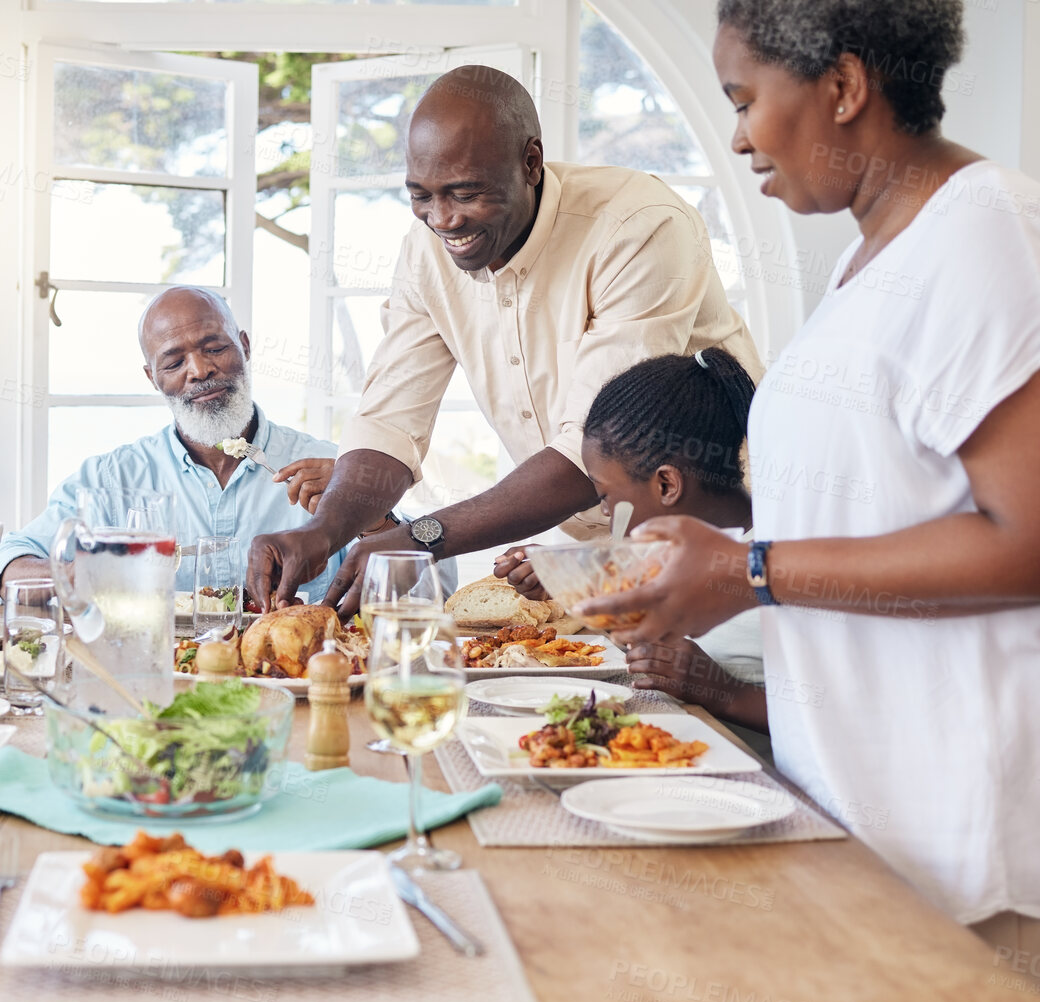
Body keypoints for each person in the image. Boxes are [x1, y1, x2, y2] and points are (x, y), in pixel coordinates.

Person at [580, 3, 1040, 1002]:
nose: (735, 140)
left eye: (740, 99)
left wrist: (746, 568)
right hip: (876, 838)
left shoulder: (993, 238)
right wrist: (706, 566)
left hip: (983, 853)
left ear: (842, 85)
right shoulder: (876, 256)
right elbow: (878, 519)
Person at [247, 64, 761, 615]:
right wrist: (323, 532)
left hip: (728, 542)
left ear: (531, 163)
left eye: (465, 193)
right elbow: (391, 422)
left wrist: (420, 536)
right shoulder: (427, 252)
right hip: (594, 558)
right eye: (420, 196)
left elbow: (597, 446)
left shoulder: (638, 226)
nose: (442, 219)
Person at [0, 287, 453, 602]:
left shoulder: (331, 467)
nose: (200, 370)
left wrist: (371, 518)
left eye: (214, 348)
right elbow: (5, 564)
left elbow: (439, 585)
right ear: (153, 378)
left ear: (245, 347)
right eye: (174, 361)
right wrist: (84, 577)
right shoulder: (111, 480)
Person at [577, 349, 769, 757]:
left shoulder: (780, 565)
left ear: (666, 484)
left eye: (605, 496)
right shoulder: (664, 557)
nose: (606, 513)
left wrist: (722, 692)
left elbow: (851, 713)